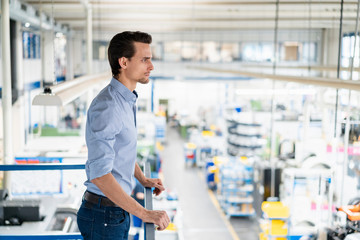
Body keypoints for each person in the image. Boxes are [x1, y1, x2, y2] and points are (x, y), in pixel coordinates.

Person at [77, 31, 170, 240]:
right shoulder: (109, 107)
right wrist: (145, 213)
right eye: (144, 59)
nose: (151, 66)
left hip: (113, 211)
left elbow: (121, 152)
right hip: (103, 215)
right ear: (124, 62)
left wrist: (142, 178)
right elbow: (100, 175)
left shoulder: (125, 101)